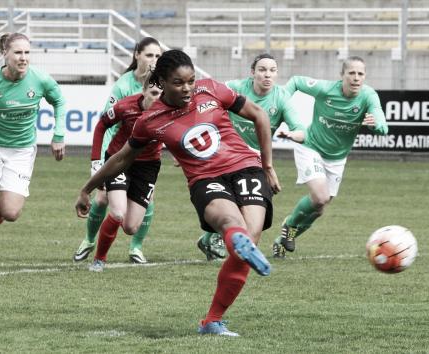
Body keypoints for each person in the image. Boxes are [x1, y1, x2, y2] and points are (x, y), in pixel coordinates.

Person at [75, 49, 281, 336]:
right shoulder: (151, 121)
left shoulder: (211, 90)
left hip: (246, 168)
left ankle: (212, 320)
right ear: (161, 81)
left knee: (250, 235)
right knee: (231, 225)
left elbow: (258, 115)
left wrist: (268, 166)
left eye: (190, 81)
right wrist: (87, 188)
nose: (187, 89)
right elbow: (121, 158)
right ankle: (237, 250)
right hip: (205, 179)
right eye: (178, 82)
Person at [0, 32, 66, 273]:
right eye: (18, 52)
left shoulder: (41, 80)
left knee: (11, 212)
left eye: (27, 52)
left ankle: (2, 210)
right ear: (5, 54)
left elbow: (59, 101)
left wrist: (58, 135)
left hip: (21, 152)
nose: (23, 57)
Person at [273, 56, 388, 258]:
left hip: (336, 158)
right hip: (311, 147)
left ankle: (284, 239)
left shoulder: (369, 96)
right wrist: (282, 99)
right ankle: (288, 226)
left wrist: (376, 124)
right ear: (342, 75)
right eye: (351, 73)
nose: (356, 78)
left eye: (360, 74)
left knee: (319, 209)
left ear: (365, 77)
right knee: (321, 196)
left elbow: (382, 123)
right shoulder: (326, 89)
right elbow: (296, 81)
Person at [196, 53, 306, 261]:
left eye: (272, 70)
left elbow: (301, 130)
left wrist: (293, 135)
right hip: (227, 152)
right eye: (262, 70)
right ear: (252, 73)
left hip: (256, 159)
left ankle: (210, 239)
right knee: (229, 200)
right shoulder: (236, 87)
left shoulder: (281, 98)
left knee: (253, 205)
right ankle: (217, 239)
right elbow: (209, 96)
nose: (268, 75)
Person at [73, 37, 162, 264]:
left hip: (147, 160)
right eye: (150, 55)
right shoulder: (124, 86)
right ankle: (90, 241)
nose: (154, 60)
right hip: (120, 153)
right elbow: (106, 125)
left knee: (143, 209)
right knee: (104, 200)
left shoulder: (165, 87)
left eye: (158, 56)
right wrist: (99, 163)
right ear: (137, 55)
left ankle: (136, 247)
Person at [87, 81, 163, 272]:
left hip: (148, 167)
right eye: (153, 92)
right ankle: (99, 259)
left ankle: (134, 246)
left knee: (130, 227)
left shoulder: (170, 111)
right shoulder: (125, 106)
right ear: (144, 91)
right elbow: (101, 125)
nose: (158, 98)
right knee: (118, 212)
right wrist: (96, 160)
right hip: (119, 160)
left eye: (162, 94)